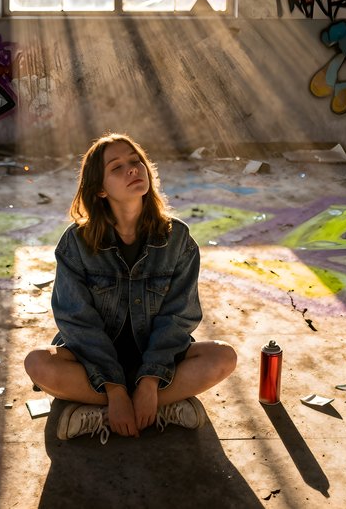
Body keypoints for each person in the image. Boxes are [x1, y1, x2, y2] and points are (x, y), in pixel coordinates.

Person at [24, 133, 237, 443]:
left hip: (157, 359)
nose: (133, 169)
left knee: (224, 357)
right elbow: (77, 321)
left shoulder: (177, 238)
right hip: (92, 362)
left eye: (136, 161)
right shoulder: (76, 243)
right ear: (99, 189)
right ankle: (151, 407)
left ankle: (106, 412)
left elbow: (179, 317)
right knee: (37, 363)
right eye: (117, 167)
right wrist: (115, 388)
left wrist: (150, 381)